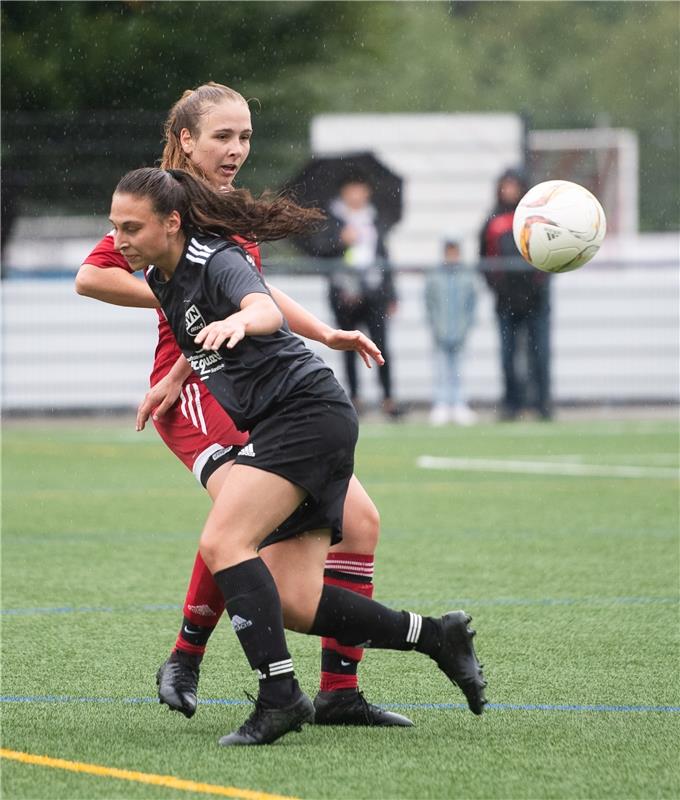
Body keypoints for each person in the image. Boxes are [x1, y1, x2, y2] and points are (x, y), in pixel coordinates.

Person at [108, 165, 487, 746]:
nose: (118, 241)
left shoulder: (215, 259)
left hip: (302, 416)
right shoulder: (163, 273)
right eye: (114, 227)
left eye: (131, 227)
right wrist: (173, 377)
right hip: (304, 421)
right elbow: (194, 327)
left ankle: (279, 696)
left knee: (223, 542)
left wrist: (241, 319)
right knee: (293, 601)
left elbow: (262, 310)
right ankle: (436, 635)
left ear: (172, 222)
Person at [76, 82, 411, 727]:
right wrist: (177, 297)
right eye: (221, 137)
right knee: (239, 530)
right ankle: (187, 655)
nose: (236, 150)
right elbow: (92, 274)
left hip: (239, 381)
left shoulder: (221, 205)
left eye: (245, 137)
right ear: (185, 141)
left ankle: (340, 692)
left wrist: (325, 333)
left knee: (361, 522)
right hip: (198, 393)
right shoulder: (161, 204)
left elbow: (254, 292)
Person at [305, 175, 401, 418]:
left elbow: (384, 258)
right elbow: (320, 250)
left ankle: (388, 398)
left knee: (380, 346)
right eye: (352, 189)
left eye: (361, 188)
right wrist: (341, 241)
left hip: (374, 292)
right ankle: (355, 397)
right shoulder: (333, 220)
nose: (357, 194)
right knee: (348, 346)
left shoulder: (375, 219)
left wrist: (391, 293)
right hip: (344, 295)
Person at [479, 168, 552, 421]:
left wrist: (538, 283)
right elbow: (484, 259)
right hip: (505, 301)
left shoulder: (536, 217)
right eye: (505, 185)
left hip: (537, 299)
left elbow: (551, 252)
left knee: (540, 354)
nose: (509, 190)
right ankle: (512, 404)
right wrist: (497, 286)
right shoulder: (492, 220)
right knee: (508, 357)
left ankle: (542, 404)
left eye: (513, 185)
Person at [424, 238, 478, 426]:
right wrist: (435, 325)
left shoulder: (466, 275)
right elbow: (430, 303)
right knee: (440, 368)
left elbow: (471, 303)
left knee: (459, 369)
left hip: (460, 329)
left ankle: (459, 403)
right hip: (441, 330)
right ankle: (441, 403)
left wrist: (467, 326)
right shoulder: (435, 275)